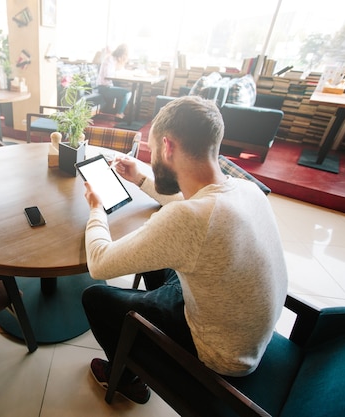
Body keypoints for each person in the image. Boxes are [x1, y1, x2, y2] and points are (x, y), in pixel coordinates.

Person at [81, 95, 288, 404]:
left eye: (151, 151)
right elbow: (193, 212)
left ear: (167, 146)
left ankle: (126, 378)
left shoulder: (189, 220)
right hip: (245, 330)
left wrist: (96, 207)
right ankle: (148, 321)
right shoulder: (246, 189)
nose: (150, 158)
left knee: (95, 297)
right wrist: (139, 177)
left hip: (223, 354)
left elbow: (98, 263)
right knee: (152, 248)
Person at [96, 44, 132, 120]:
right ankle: (119, 113)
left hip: (108, 86)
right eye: (125, 55)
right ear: (122, 54)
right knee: (127, 93)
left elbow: (120, 71)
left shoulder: (114, 60)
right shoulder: (109, 59)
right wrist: (119, 73)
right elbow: (107, 75)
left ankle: (119, 113)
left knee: (124, 93)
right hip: (103, 87)